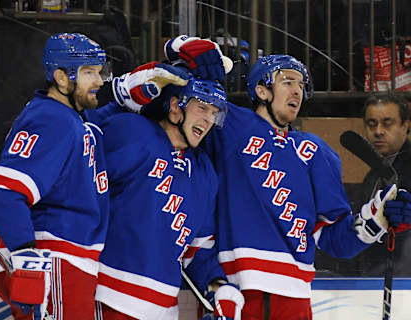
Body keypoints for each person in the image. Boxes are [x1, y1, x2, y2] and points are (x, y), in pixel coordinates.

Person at [127, 38, 411, 319]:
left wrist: (379, 219)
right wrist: (181, 49)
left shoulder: (317, 152)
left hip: (295, 299)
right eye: (288, 81)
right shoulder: (229, 124)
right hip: (235, 294)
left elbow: (335, 239)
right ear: (262, 90)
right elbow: (170, 101)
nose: (297, 91)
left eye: (302, 85)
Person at [0, 33, 111, 320]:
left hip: (68, 262)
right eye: (89, 72)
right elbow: (1, 194)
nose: (99, 81)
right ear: (62, 78)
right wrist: (27, 261)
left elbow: (40, 186)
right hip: (57, 262)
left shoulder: (70, 117)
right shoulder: (53, 120)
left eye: (100, 72)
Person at [93, 77, 244, 319]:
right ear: (175, 106)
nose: (208, 119)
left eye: (214, 113)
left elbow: (197, 252)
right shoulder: (132, 132)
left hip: (165, 310)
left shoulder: (204, 174)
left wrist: (219, 288)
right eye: (202, 107)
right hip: (109, 297)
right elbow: (76, 165)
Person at [343, 93, 411, 276]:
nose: (378, 131)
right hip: (375, 279)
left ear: (405, 126)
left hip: (402, 280)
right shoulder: (374, 173)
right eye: (372, 124)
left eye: (387, 123)